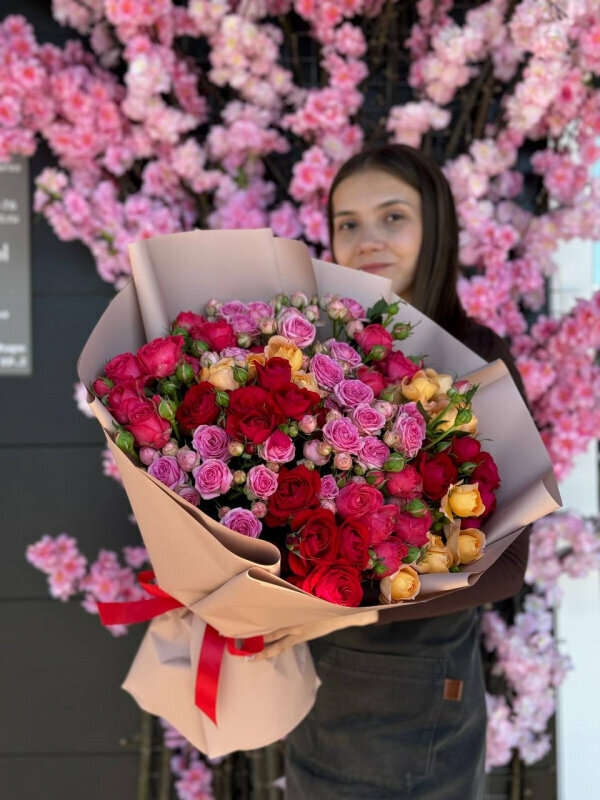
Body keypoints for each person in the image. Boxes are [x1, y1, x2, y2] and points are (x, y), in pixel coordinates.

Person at [256, 145, 530, 799]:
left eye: (393, 216)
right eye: (347, 223)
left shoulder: (475, 360)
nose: (367, 239)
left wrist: (348, 611)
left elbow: (509, 565)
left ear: (436, 226)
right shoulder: (316, 354)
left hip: (415, 693)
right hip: (321, 681)